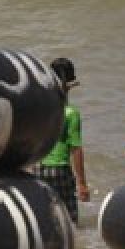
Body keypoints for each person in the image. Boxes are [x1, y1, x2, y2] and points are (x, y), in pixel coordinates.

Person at [33, 57, 90, 222]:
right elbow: (76, 149)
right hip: (61, 171)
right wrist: (82, 184)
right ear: (71, 82)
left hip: (39, 168)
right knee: (69, 221)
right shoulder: (71, 113)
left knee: (45, 218)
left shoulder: (40, 110)